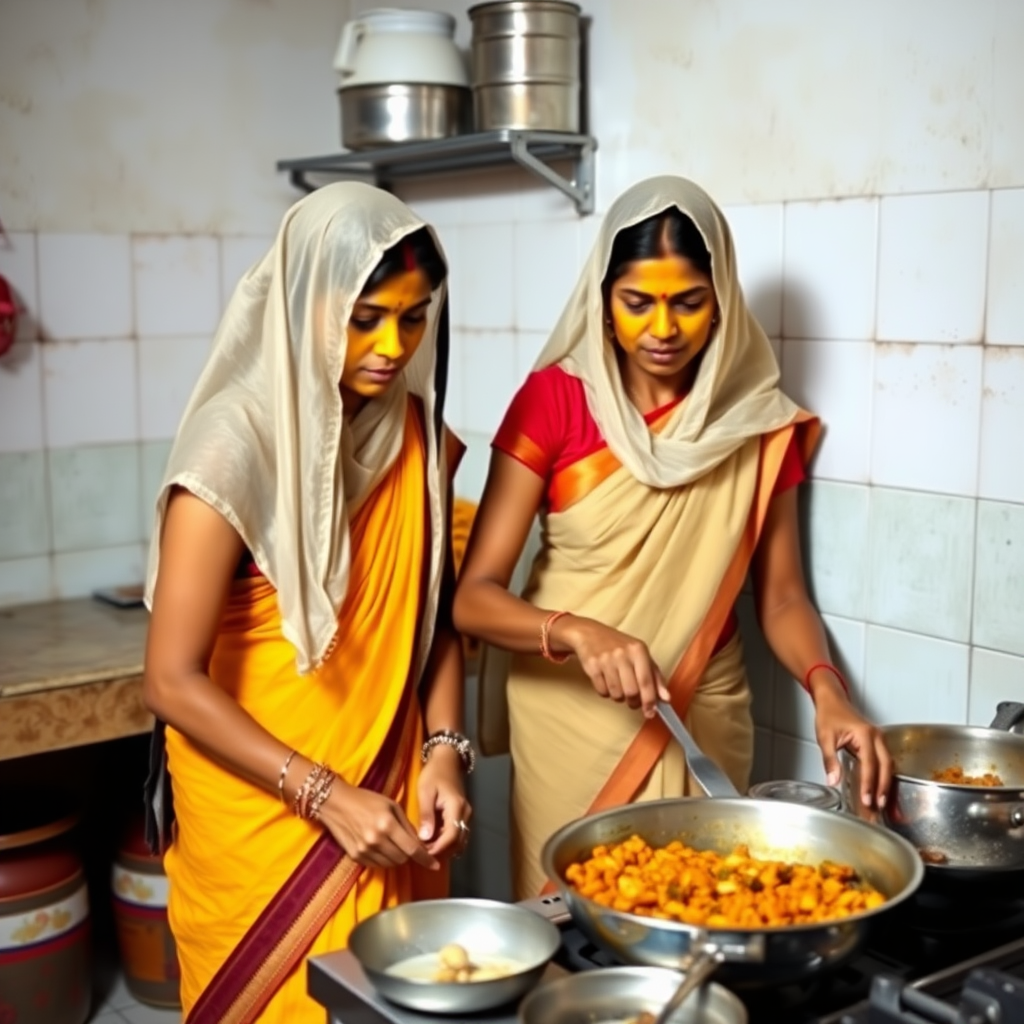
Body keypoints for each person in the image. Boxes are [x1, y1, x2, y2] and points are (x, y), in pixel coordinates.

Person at [453, 175, 893, 900]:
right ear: (602, 299)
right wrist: (578, 632)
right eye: (637, 303)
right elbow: (473, 600)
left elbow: (781, 598)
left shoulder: (758, 424)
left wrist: (829, 693)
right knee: (571, 933)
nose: (663, 329)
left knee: (707, 914)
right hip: (571, 711)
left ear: (721, 299)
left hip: (704, 708)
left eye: (689, 302)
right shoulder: (555, 401)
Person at [142, 182, 473, 1023]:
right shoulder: (233, 447)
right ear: (304, 305)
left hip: (384, 797)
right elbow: (171, 682)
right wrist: (324, 796)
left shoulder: (418, 441)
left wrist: (441, 749)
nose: (392, 346)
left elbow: (430, 621)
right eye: (365, 317)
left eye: (414, 316)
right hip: (258, 809)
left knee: (387, 1004)